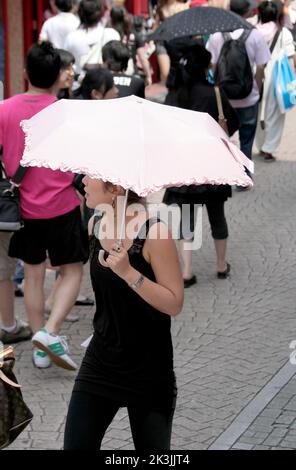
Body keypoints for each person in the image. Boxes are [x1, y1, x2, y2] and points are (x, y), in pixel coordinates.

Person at [63, 178, 184, 450]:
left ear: (116, 188)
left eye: (90, 174)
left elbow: (174, 303)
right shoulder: (96, 224)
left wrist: (130, 274)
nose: (82, 180)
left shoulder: (155, 233)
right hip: (100, 361)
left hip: (149, 368)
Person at [0, 42, 88, 369]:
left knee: (34, 276)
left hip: (23, 208)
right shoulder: (65, 112)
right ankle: (49, 333)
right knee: (73, 270)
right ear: (57, 78)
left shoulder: (4, 110)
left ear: (25, 73)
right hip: (62, 204)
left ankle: (40, 346)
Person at [163, 39, 239, 286]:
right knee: (217, 215)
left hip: (183, 167)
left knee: (186, 218)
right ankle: (220, 265)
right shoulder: (214, 93)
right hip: (212, 166)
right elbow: (232, 123)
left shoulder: (174, 95)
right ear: (205, 67)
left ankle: (186, 271)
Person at [207, 0, 271, 187]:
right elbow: (261, 65)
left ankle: (226, 174)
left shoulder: (217, 35)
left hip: (223, 98)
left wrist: (218, 84)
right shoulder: (254, 34)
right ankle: (244, 177)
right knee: (246, 138)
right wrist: (256, 87)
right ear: (248, 12)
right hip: (248, 96)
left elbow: (212, 64)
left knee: (224, 136)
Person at [255, 1, 295, 161]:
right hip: (277, 74)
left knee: (256, 111)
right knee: (275, 113)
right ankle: (269, 148)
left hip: (256, 72)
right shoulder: (284, 32)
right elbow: (291, 57)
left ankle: (260, 144)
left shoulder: (254, 32)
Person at [64, 0, 120, 87]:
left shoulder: (71, 37)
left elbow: (66, 64)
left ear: (80, 13)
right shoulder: (112, 34)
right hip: (105, 87)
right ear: (100, 13)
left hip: (79, 85)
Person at [152, 0, 189, 84]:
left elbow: (155, 29)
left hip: (166, 41)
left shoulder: (161, 8)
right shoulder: (184, 6)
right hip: (182, 41)